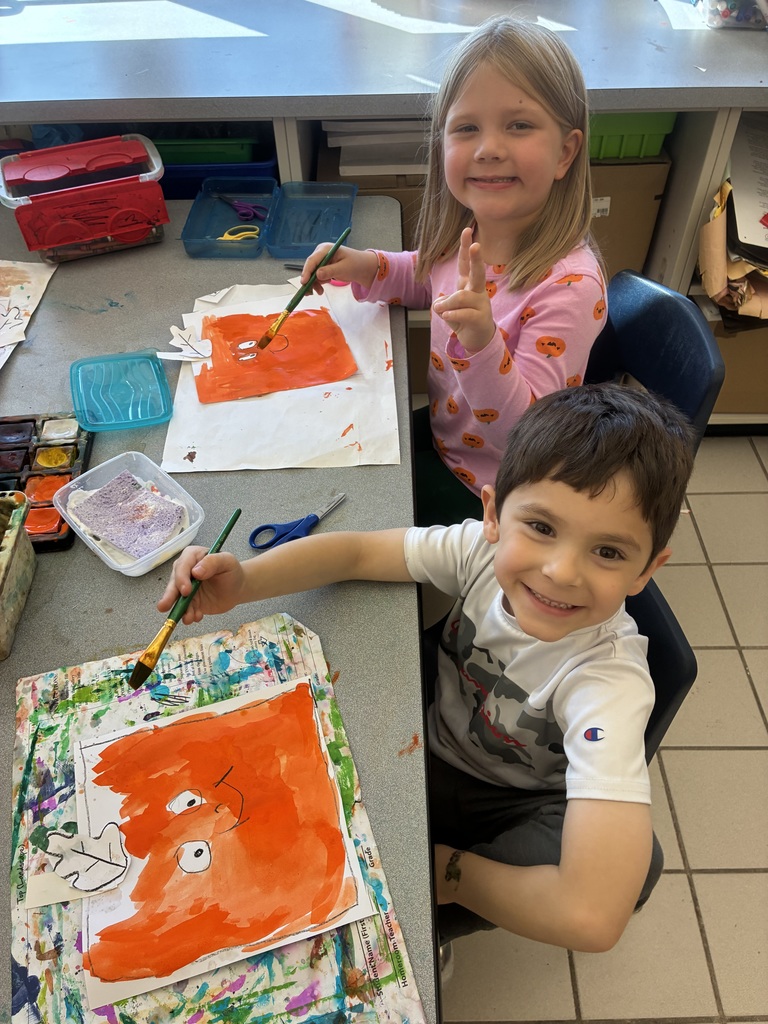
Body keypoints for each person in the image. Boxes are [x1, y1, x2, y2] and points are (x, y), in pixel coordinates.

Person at [157, 382, 696, 954]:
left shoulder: (608, 681)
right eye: (541, 528)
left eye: (608, 552)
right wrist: (244, 582)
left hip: (509, 800)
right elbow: (359, 552)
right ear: (492, 513)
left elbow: (591, 917)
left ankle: (427, 928)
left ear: (647, 570)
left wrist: (443, 871)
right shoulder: (481, 553)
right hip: (432, 738)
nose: (561, 571)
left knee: (628, 866)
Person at [301, 16, 606, 527]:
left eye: (519, 125)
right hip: (449, 444)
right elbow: (426, 278)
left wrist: (483, 341)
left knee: (359, 525)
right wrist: (364, 266)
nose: (488, 148)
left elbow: (527, 436)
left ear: (566, 152)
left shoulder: (571, 288)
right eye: (467, 128)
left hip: (497, 492)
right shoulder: (472, 231)